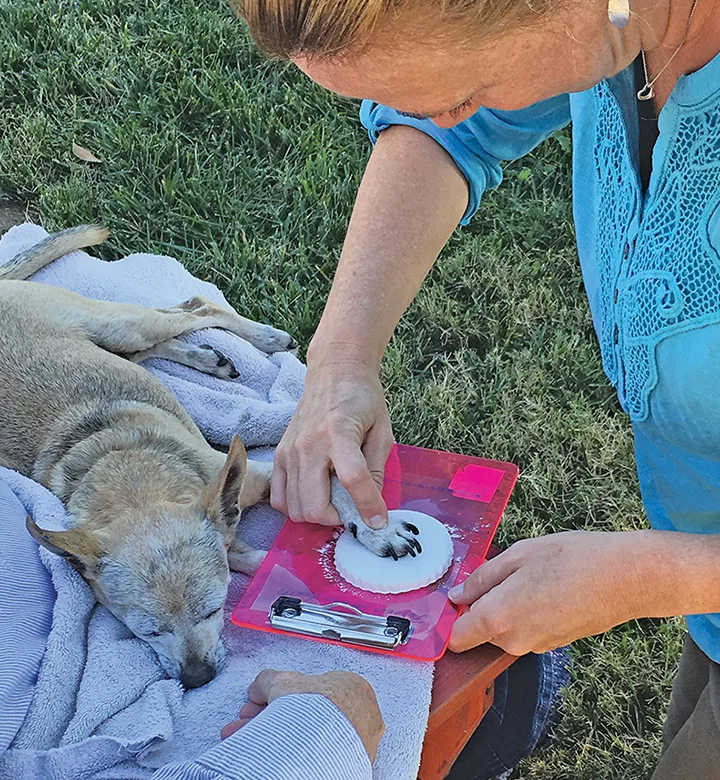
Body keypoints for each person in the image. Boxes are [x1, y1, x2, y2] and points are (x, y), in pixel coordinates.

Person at [234, 0, 720, 776]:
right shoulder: (620, 22)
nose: (444, 113)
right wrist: (340, 360)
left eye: (464, 89)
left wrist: (652, 576)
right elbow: (448, 136)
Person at [0, 482, 383, 780]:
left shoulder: (209, 506)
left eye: (209, 610)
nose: (194, 666)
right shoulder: (93, 560)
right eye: (152, 630)